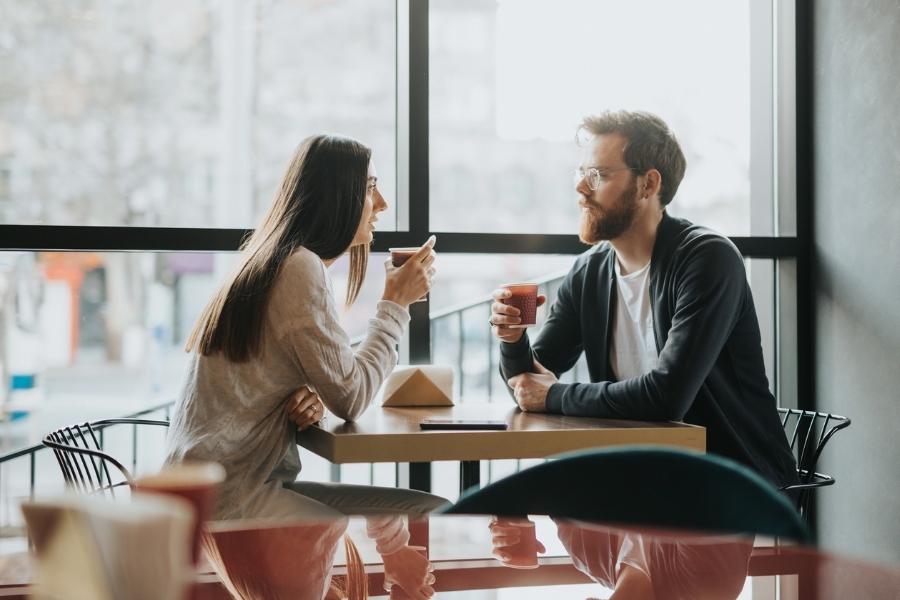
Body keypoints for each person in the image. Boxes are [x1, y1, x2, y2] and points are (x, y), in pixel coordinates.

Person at [163, 134, 442, 599]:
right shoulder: (299, 268)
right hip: (234, 498)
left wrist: (300, 388)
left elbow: (320, 375)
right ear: (336, 196)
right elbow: (351, 398)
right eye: (369, 186)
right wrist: (394, 304)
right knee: (430, 512)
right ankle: (404, 579)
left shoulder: (270, 256)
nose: (383, 203)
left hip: (218, 487)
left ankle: (399, 572)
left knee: (415, 508)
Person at [490, 110, 799, 494]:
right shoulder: (588, 273)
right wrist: (512, 338)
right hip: (640, 476)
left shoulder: (707, 258)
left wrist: (553, 394)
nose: (581, 189)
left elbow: (666, 397)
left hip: (730, 482)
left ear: (648, 183)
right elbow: (529, 386)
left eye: (598, 175)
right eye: (580, 174)